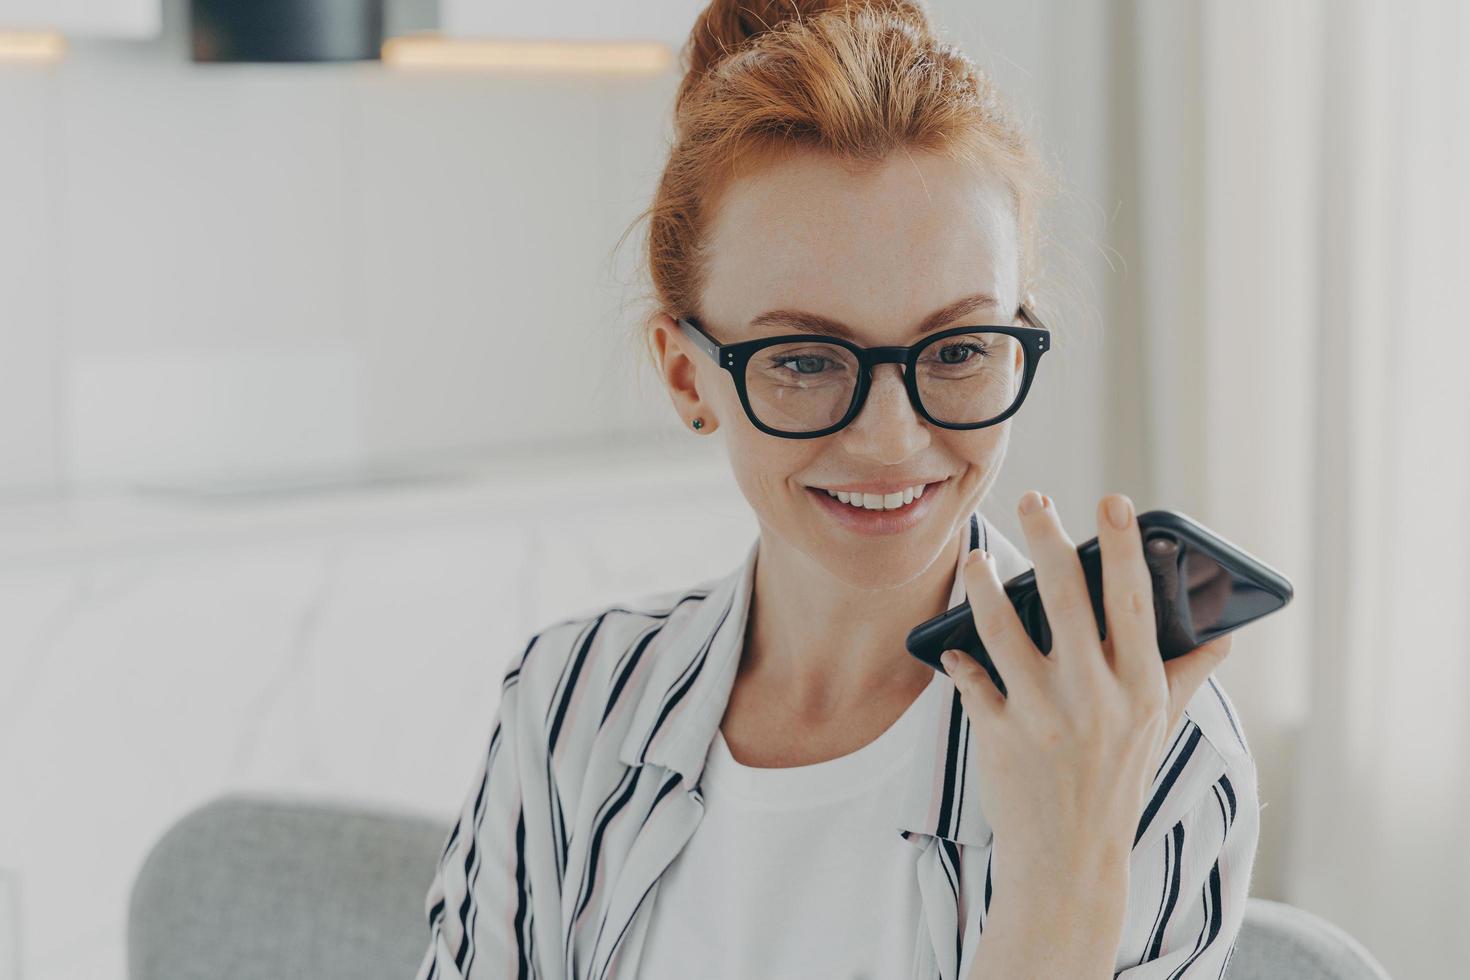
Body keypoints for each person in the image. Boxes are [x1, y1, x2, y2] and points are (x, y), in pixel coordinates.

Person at [413, 1, 1259, 978]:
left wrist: (1060, 882)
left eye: (958, 349)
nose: (892, 436)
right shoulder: (572, 705)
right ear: (689, 376)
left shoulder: (1144, 743)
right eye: (807, 359)